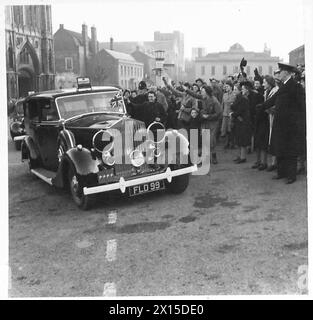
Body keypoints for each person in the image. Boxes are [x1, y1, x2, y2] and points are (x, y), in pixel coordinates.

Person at [257, 63, 305, 184]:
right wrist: (262, 106)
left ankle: (291, 175)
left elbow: (301, 107)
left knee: (290, 150)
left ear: (287, 73)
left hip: (291, 125)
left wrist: (299, 123)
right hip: (280, 123)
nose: (279, 73)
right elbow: (273, 100)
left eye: (281, 71)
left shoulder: (296, 86)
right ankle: (281, 172)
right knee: (280, 147)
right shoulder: (283, 86)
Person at [184, 84, 222, 164]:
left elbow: (219, 113)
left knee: (211, 140)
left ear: (207, 92)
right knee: (204, 139)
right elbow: (195, 95)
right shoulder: (203, 97)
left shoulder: (214, 101)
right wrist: (187, 90)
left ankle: (214, 156)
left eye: (203, 91)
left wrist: (208, 116)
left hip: (213, 122)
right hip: (205, 121)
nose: (201, 92)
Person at [253, 75, 278, 170]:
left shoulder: (275, 91)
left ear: (269, 83)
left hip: (273, 118)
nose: (263, 84)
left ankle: (273, 163)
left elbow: (275, 105)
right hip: (267, 118)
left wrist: (267, 109)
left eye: (264, 82)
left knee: (272, 140)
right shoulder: (266, 92)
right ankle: (267, 162)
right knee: (267, 140)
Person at [230, 83, 252, 163]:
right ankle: (239, 156)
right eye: (234, 89)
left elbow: (240, 110)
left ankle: (243, 157)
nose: (234, 91)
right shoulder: (237, 98)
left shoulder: (243, 98)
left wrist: (233, 114)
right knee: (238, 139)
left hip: (243, 121)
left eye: (236, 89)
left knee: (242, 140)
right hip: (238, 121)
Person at [241, 81, 264, 154]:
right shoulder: (245, 95)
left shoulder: (255, 95)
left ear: (247, 89)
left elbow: (254, 106)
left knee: (252, 132)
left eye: (243, 88)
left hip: (253, 116)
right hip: (248, 116)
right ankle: (249, 146)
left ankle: (252, 147)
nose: (242, 90)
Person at [221, 81, 236, 148]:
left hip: (231, 113)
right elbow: (222, 104)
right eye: (225, 86)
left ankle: (232, 143)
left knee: (231, 129)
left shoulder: (234, 94)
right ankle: (226, 143)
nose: (226, 88)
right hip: (225, 113)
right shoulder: (224, 95)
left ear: (231, 87)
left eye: (227, 86)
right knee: (225, 129)